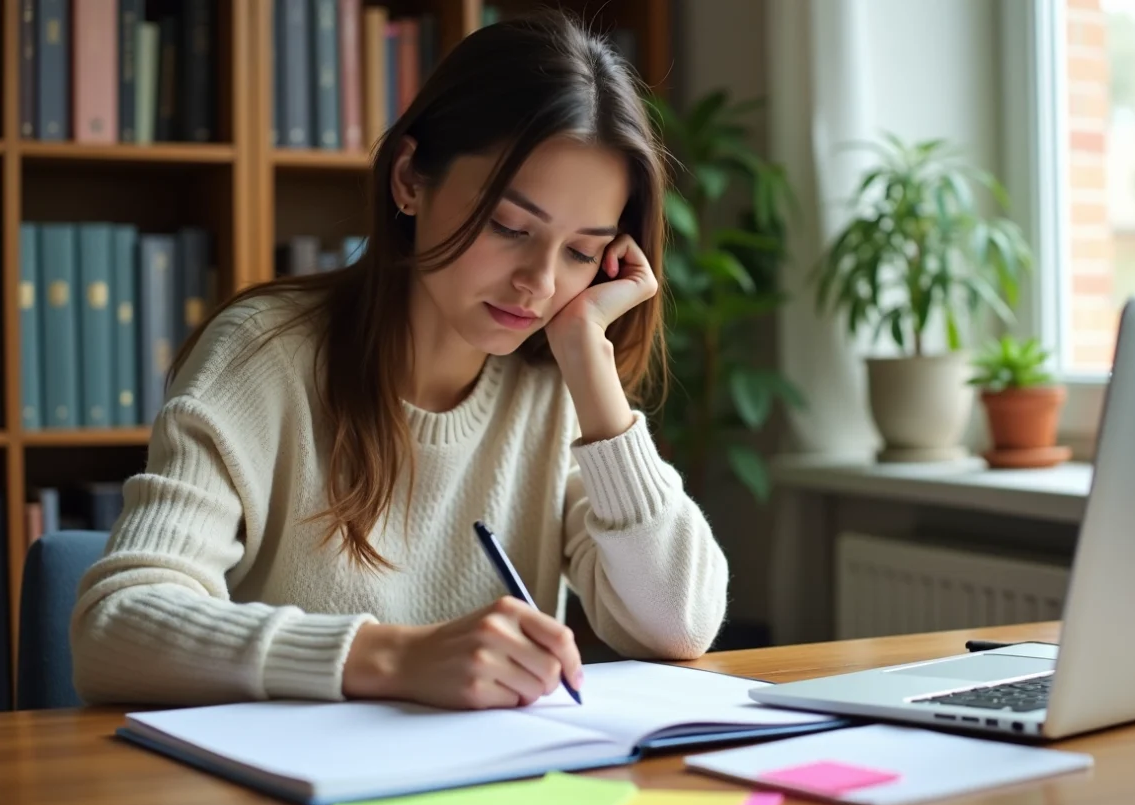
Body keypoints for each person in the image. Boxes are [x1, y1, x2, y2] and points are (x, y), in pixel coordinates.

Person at [69, 10, 729, 711]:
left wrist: (593, 371)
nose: (539, 284)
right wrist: (393, 657)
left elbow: (679, 624)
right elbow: (115, 628)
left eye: (580, 251)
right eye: (509, 226)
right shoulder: (265, 354)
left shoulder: (555, 384)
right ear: (410, 177)